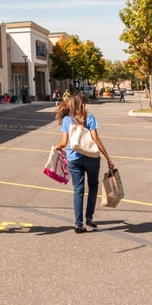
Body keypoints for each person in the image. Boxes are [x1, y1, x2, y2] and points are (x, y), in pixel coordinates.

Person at [53, 93, 115, 233]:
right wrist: (108, 158)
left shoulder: (67, 120)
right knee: (93, 186)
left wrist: (56, 148)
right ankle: (89, 217)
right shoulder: (90, 118)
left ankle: (78, 224)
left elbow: (64, 143)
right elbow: (96, 139)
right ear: (83, 104)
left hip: (74, 158)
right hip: (91, 157)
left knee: (78, 190)